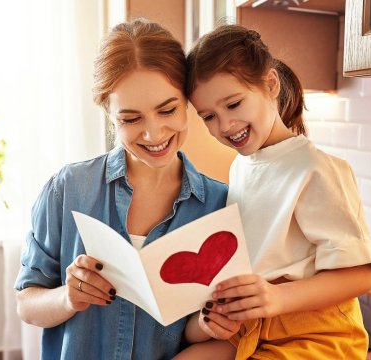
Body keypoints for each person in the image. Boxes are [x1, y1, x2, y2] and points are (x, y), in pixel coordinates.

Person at [14, 19, 230, 360]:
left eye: (168, 109)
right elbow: (27, 304)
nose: (154, 133)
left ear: (187, 99)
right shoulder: (68, 189)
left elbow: (219, 337)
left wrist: (215, 322)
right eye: (130, 119)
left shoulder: (219, 205)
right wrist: (67, 297)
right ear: (108, 113)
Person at [182, 24, 371, 359]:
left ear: (270, 85)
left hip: (317, 333)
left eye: (233, 104)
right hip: (254, 325)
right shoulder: (241, 167)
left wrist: (276, 298)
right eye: (209, 116)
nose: (225, 125)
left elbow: (360, 276)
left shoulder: (316, 168)